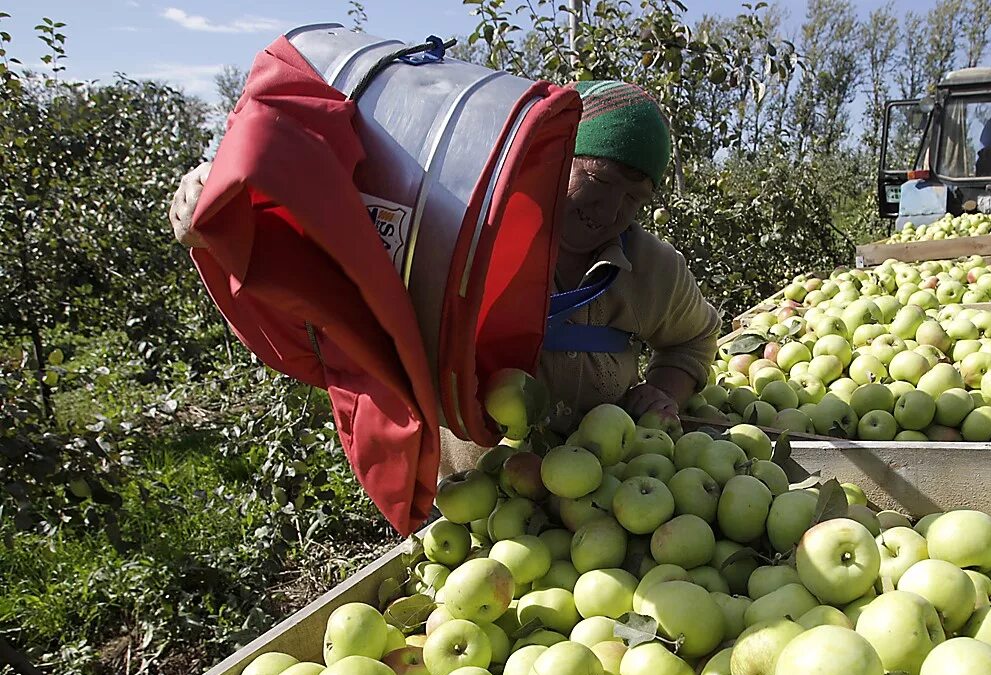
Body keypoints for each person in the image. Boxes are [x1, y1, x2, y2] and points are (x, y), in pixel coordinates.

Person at [170, 80, 721, 478]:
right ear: (555, 159)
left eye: (636, 196)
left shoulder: (652, 270)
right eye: (598, 179)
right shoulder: (459, 235)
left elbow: (694, 338)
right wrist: (223, 203)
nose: (611, 209)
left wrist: (663, 391)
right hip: (474, 500)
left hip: (610, 493)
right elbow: (322, 246)